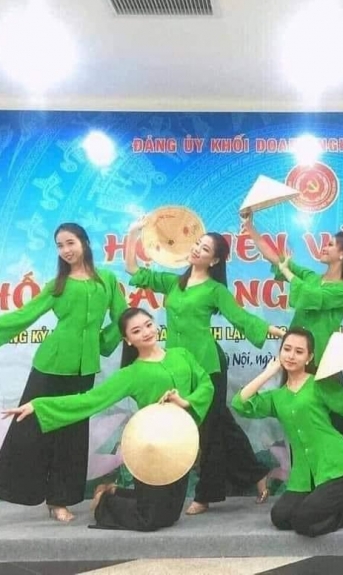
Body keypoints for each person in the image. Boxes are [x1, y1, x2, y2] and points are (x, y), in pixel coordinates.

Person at [2, 307, 214, 532]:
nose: (146, 332)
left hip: (182, 442)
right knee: (149, 519)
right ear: (128, 340)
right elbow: (89, 401)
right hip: (152, 447)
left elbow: (206, 384)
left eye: (148, 325)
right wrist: (38, 406)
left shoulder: (182, 355)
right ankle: (105, 500)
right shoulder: (131, 374)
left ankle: (114, 490)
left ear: (156, 325)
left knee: (170, 515)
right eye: (136, 331)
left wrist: (185, 402)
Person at [126, 220, 284, 515]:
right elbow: (134, 270)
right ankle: (256, 473)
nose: (198, 249)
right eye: (198, 244)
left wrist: (270, 331)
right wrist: (133, 233)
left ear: (214, 260)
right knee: (221, 424)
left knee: (208, 430)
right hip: (177, 365)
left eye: (206, 249)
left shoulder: (214, 290)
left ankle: (206, 495)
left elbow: (240, 317)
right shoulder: (174, 282)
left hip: (207, 365)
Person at [243, 214, 343, 512]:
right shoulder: (311, 277)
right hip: (297, 364)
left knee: (342, 426)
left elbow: (309, 295)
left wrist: (288, 273)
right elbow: (277, 258)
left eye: (330, 244)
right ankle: (306, 487)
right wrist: (251, 229)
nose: (324, 247)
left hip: (323, 367)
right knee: (297, 423)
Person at [0, 223, 128, 522]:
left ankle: (59, 500)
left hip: (84, 370)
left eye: (70, 242)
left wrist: (104, 342)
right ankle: (14, 490)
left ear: (84, 242)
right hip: (49, 366)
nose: (66, 250)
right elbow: (23, 316)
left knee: (72, 436)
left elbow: (122, 317)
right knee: (29, 430)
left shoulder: (107, 280)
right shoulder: (56, 285)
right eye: (59, 245)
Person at [232, 327, 343, 537]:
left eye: (299, 351)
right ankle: (337, 501)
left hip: (340, 467)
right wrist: (269, 372)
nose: (291, 355)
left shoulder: (319, 386)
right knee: (280, 517)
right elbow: (240, 403)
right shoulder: (277, 397)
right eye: (287, 349)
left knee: (303, 521)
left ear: (309, 357)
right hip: (305, 475)